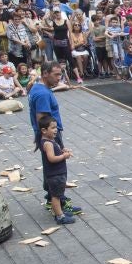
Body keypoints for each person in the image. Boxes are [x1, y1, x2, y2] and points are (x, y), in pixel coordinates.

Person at [28, 61, 81, 216]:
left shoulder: (37, 88)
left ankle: (51, 199)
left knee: (49, 169)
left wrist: (38, 136)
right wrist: (52, 140)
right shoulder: (43, 93)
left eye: (60, 74)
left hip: (45, 135)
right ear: (45, 73)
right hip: (50, 136)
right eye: (56, 74)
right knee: (56, 171)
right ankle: (59, 202)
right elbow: (42, 117)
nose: (59, 77)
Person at [38, 115, 75, 225]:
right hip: (55, 174)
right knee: (56, 196)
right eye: (53, 128)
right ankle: (60, 216)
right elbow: (52, 158)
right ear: (44, 130)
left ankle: (59, 212)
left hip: (57, 173)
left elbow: (56, 151)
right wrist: (64, 156)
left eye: (56, 127)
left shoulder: (49, 140)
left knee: (57, 194)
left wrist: (62, 150)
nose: (56, 130)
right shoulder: (48, 143)